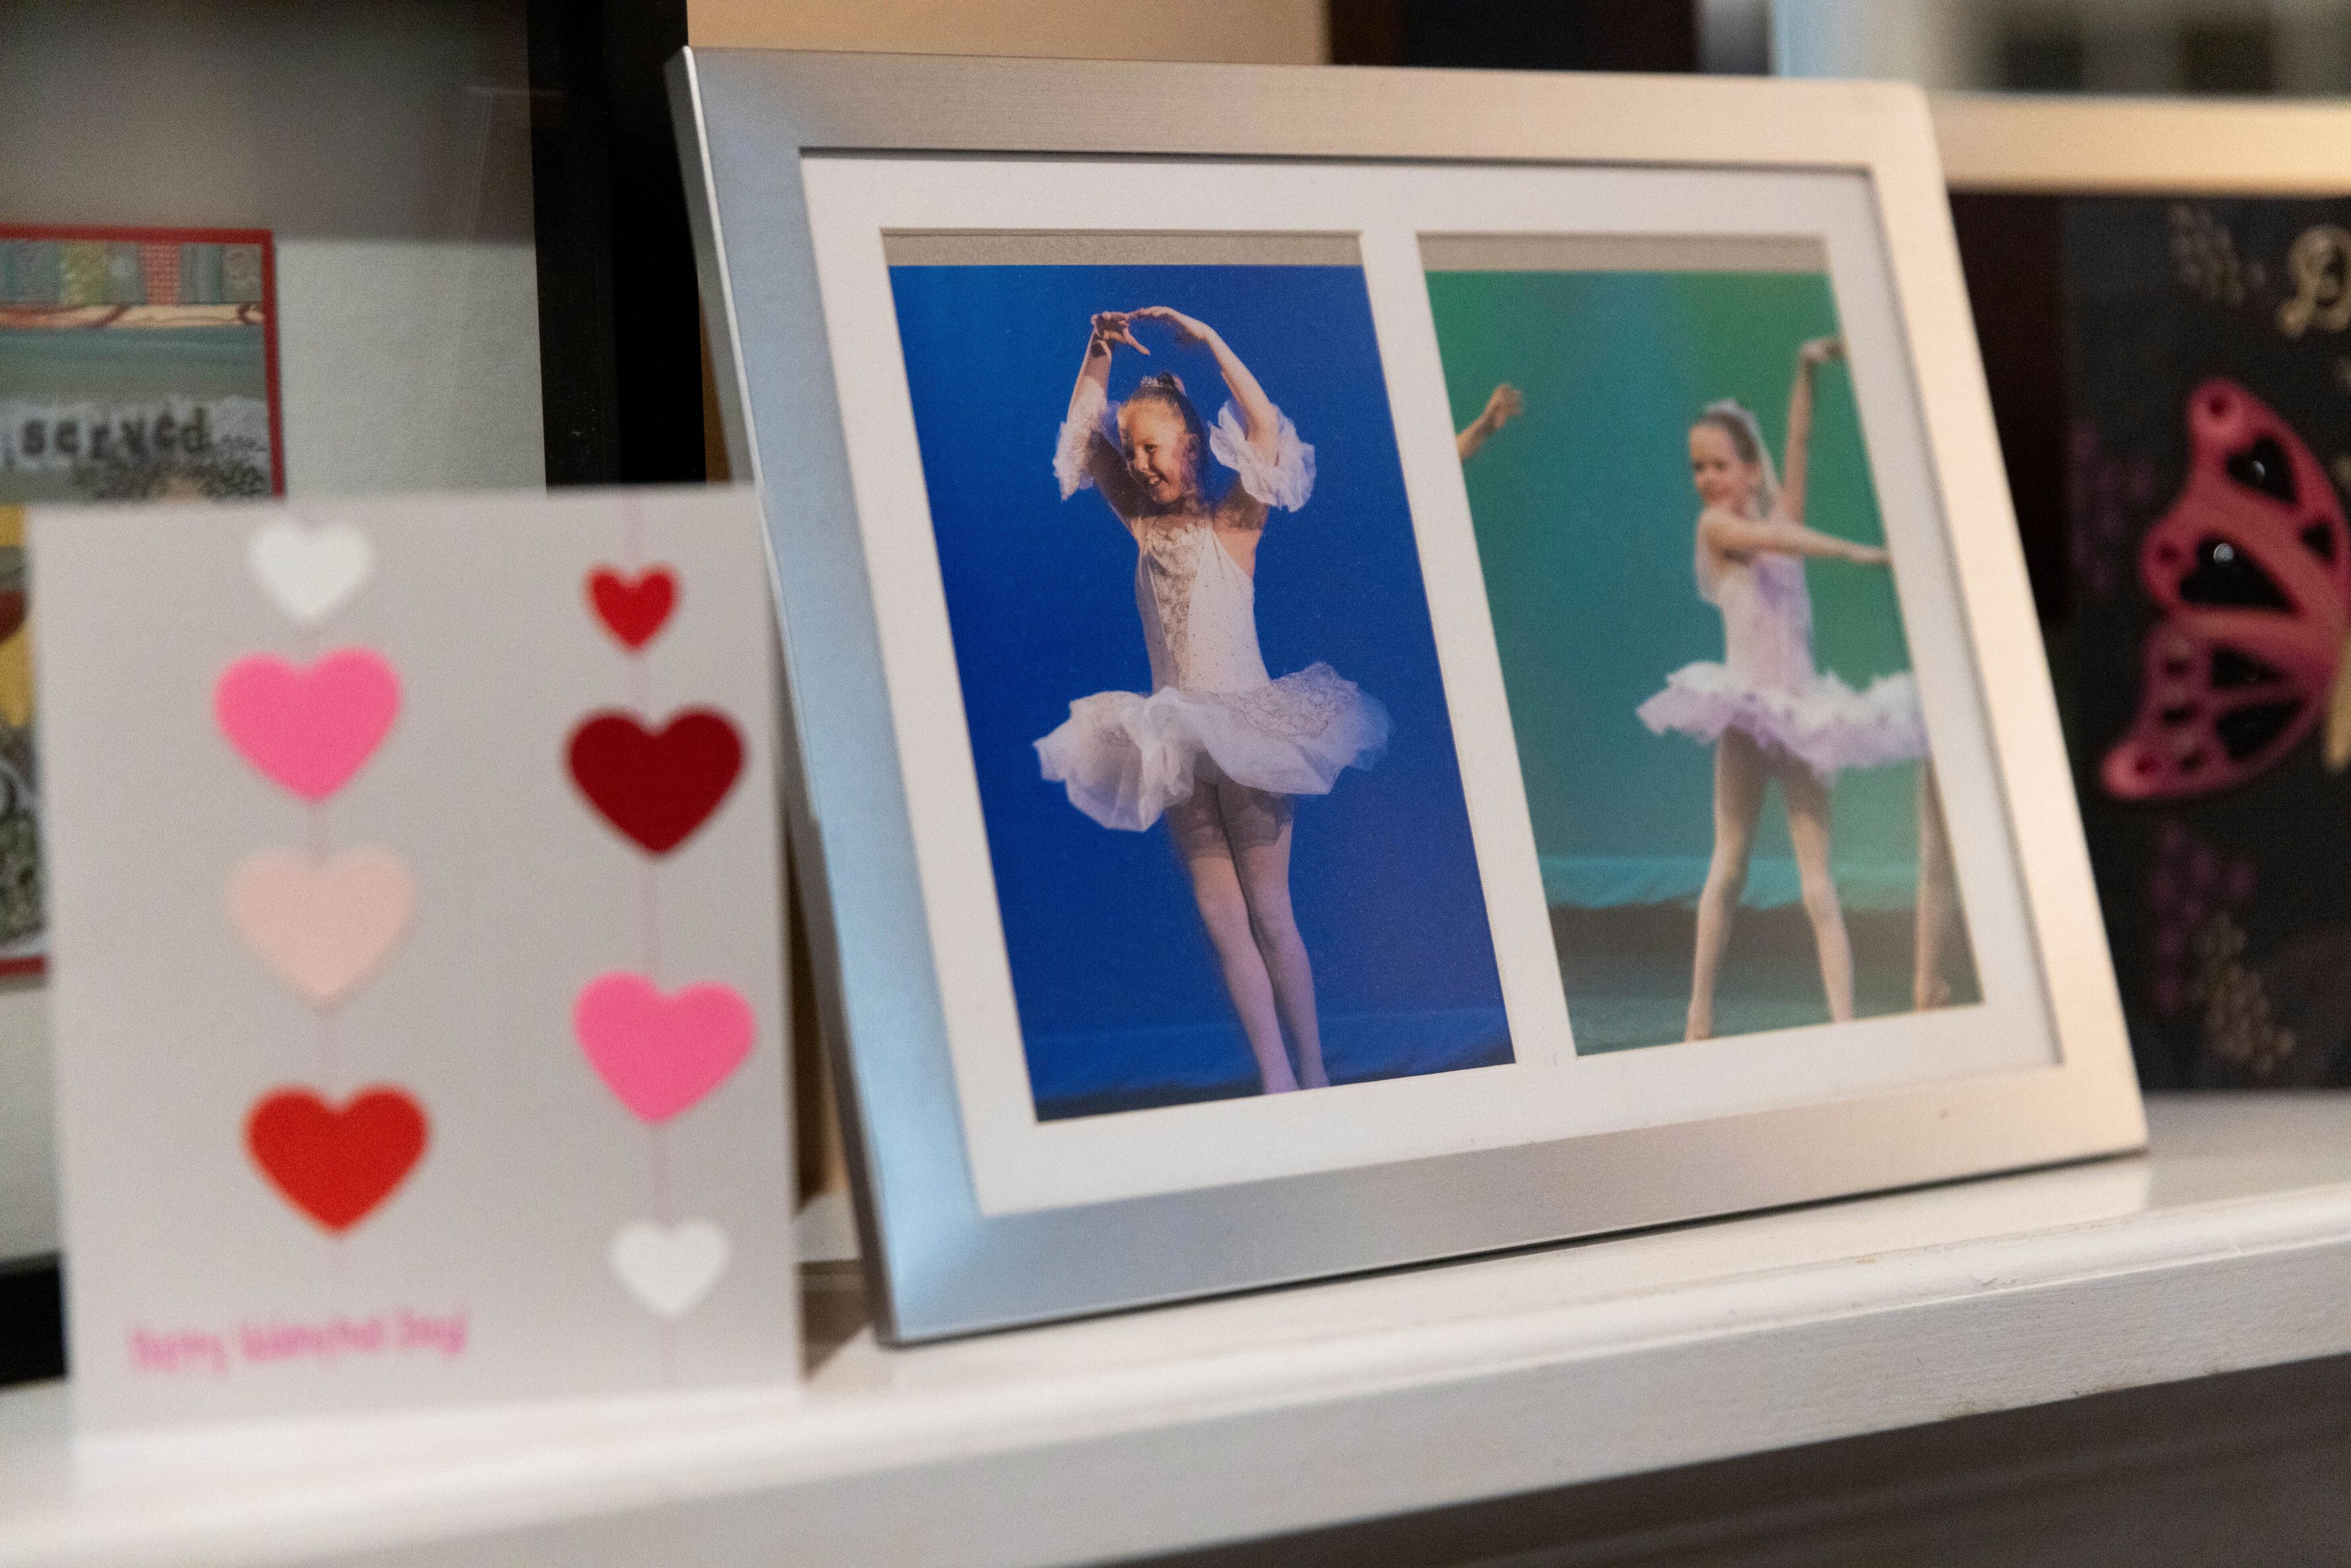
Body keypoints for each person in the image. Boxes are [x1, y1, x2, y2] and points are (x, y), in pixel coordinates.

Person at [1038, 305, 1388, 1094]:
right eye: (1136, 453)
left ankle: (1313, 1071)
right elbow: (1083, 435)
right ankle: (1275, 1081)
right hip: (1177, 739)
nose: (1142, 464)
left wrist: (1215, 343)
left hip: (1250, 733)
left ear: (1193, 448)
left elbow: (1264, 429)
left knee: (1270, 912)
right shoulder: (1140, 523)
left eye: (1154, 450)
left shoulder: (1236, 519)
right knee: (1222, 918)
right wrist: (1094, 351)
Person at [1635, 336, 1926, 1039]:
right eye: (1696, 467)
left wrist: (1804, 366)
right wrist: (1853, 549)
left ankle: (1846, 1023)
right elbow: (1786, 546)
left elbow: (1800, 437)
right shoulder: (1719, 526)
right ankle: (1699, 1015)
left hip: (1799, 715)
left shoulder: (1780, 509)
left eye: (1717, 464)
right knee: (1729, 864)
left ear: (1747, 466)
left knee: (1818, 884)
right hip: (1745, 711)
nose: (1705, 478)